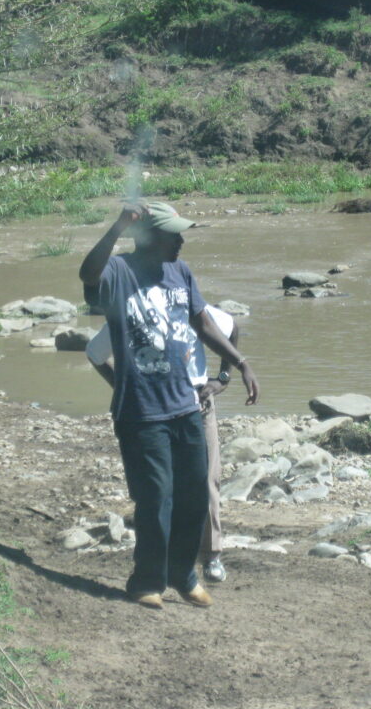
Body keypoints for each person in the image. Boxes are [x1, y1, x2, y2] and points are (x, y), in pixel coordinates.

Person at [78, 200, 258, 609]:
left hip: (185, 406)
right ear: (149, 238)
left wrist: (238, 363)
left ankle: (183, 575)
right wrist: (118, 226)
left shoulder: (181, 272)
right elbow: (88, 273)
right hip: (141, 413)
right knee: (156, 498)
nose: (180, 241)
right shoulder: (120, 273)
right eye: (173, 234)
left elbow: (204, 324)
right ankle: (146, 581)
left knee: (194, 495)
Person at [86, 304, 240, 583]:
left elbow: (230, 328)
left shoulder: (187, 304)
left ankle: (211, 555)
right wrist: (121, 386)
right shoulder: (127, 311)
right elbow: (95, 353)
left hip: (197, 404)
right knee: (157, 486)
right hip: (151, 409)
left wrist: (223, 378)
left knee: (205, 480)